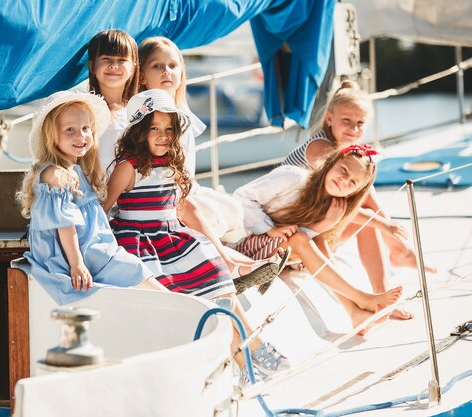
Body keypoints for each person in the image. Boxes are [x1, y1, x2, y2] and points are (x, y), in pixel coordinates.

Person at [104, 89, 288, 382]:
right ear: (139, 132)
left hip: (172, 237)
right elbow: (104, 208)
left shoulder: (173, 165)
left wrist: (221, 251)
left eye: (169, 129)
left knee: (220, 285)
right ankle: (252, 351)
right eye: (154, 128)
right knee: (192, 300)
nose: (163, 136)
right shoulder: (128, 168)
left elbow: (184, 207)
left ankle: (247, 356)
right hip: (140, 242)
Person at [137, 36, 287, 286]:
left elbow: (187, 172)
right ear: (142, 76)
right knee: (199, 210)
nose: (167, 71)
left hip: (182, 189)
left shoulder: (182, 116)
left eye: (173, 66)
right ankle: (233, 263)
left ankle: (244, 255)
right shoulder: (143, 117)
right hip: (159, 196)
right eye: (157, 66)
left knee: (231, 208)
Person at [282, 80, 435, 320]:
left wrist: (389, 231)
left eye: (360, 123)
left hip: (311, 222)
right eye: (347, 121)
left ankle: (383, 297)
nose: (354, 129)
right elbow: (329, 207)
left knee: (367, 221)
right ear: (330, 118)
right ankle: (361, 297)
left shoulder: (348, 154)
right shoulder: (320, 148)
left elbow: (362, 197)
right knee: (368, 222)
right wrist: (385, 226)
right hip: (290, 230)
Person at [17, 90, 166, 305]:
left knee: (136, 266)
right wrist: (77, 264)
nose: (81, 136)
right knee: (135, 269)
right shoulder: (55, 175)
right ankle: (179, 305)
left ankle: (175, 303)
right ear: (52, 135)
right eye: (70, 130)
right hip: (78, 255)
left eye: (86, 128)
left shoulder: (75, 170)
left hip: (95, 249)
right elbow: (65, 225)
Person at [233, 145, 403, 332]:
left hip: (282, 254)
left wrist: (384, 224)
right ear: (331, 162)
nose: (344, 180)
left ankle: (353, 312)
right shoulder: (294, 178)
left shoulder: (330, 202)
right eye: (343, 170)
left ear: (352, 193)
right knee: (302, 238)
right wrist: (269, 229)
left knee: (317, 239)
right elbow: (241, 196)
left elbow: (353, 213)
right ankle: (362, 298)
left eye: (352, 182)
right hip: (245, 246)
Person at [87, 29, 140, 174]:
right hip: (93, 191)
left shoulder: (141, 111)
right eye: (106, 58)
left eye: (122, 60)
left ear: (133, 68)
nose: (114, 65)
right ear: (92, 66)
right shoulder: (83, 110)